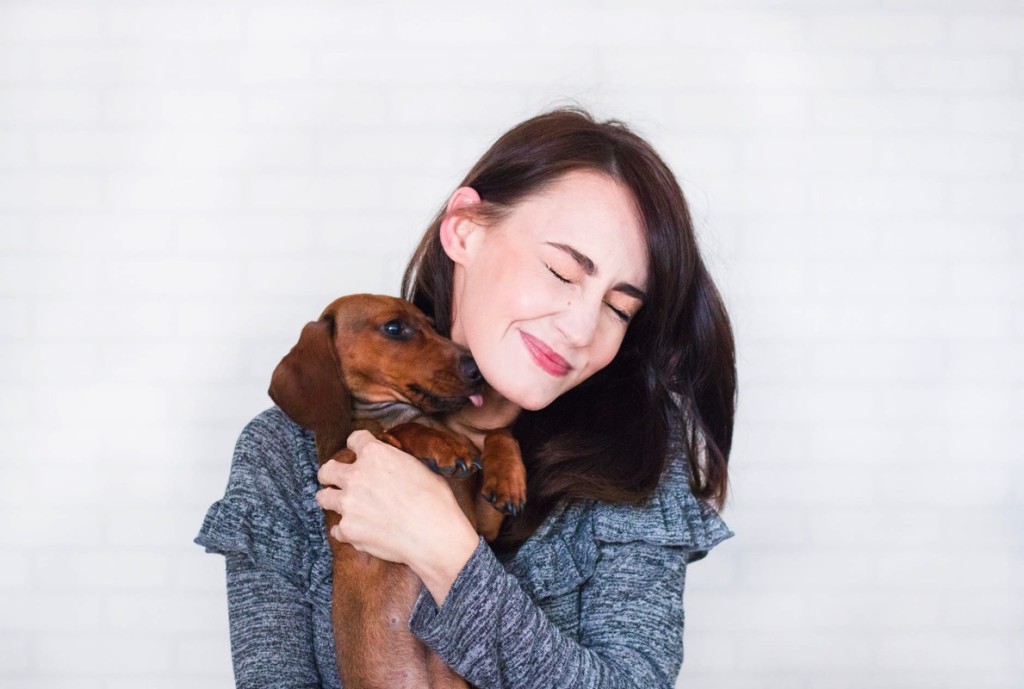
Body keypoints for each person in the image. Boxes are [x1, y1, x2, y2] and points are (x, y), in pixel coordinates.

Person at [195, 106, 736, 689]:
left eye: (618, 308)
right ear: (465, 230)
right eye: (561, 271)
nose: (581, 329)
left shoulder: (639, 461)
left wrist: (444, 547)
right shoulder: (281, 455)